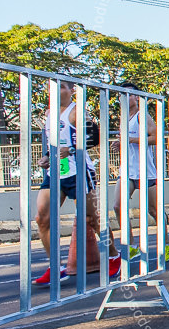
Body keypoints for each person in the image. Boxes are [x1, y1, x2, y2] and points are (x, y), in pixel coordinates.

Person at [34, 80, 122, 285]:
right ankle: (56, 266)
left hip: (78, 171)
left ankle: (113, 255)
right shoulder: (49, 114)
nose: (56, 89)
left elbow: (94, 137)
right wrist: (47, 156)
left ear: (72, 90)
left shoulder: (76, 112)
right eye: (53, 86)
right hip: (55, 172)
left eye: (62, 86)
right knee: (42, 218)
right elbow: (55, 141)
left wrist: (72, 150)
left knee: (92, 219)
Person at [112, 83, 169, 261]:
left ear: (136, 97)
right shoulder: (123, 118)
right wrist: (119, 144)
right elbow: (126, 142)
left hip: (146, 172)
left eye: (129, 94)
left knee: (154, 211)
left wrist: (130, 139)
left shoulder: (142, 116)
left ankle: (167, 243)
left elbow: (155, 138)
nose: (125, 98)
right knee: (117, 206)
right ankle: (132, 245)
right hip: (127, 171)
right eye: (122, 95)